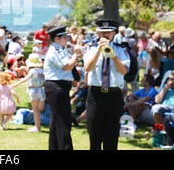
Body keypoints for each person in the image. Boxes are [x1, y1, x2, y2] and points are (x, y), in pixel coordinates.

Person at [83, 18, 130, 150]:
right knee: (94, 134)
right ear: (97, 34)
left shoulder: (121, 49)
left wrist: (113, 55)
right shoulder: (91, 49)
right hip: (96, 94)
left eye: (109, 32)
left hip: (114, 95)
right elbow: (87, 68)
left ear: (114, 33)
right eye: (102, 32)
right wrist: (99, 51)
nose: (105, 35)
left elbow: (124, 71)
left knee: (112, 135)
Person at [44, 25, 82, 150]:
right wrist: (76, 54)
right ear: (56, 38)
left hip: (60, 87)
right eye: (64, 37)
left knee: (56, 121)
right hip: (56, 87)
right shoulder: (56, 50)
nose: (67, 38)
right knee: (63, 122)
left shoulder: (61, 49)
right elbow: (68, 66)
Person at [13, 53, 46, 132]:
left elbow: (26, 78)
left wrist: (16, 84)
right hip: (41, 90)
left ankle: (37, 127)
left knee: (35, 110)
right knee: (40, 109)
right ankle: (38, 125)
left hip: (34, 91)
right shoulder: (42, 70)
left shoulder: (32, 70)